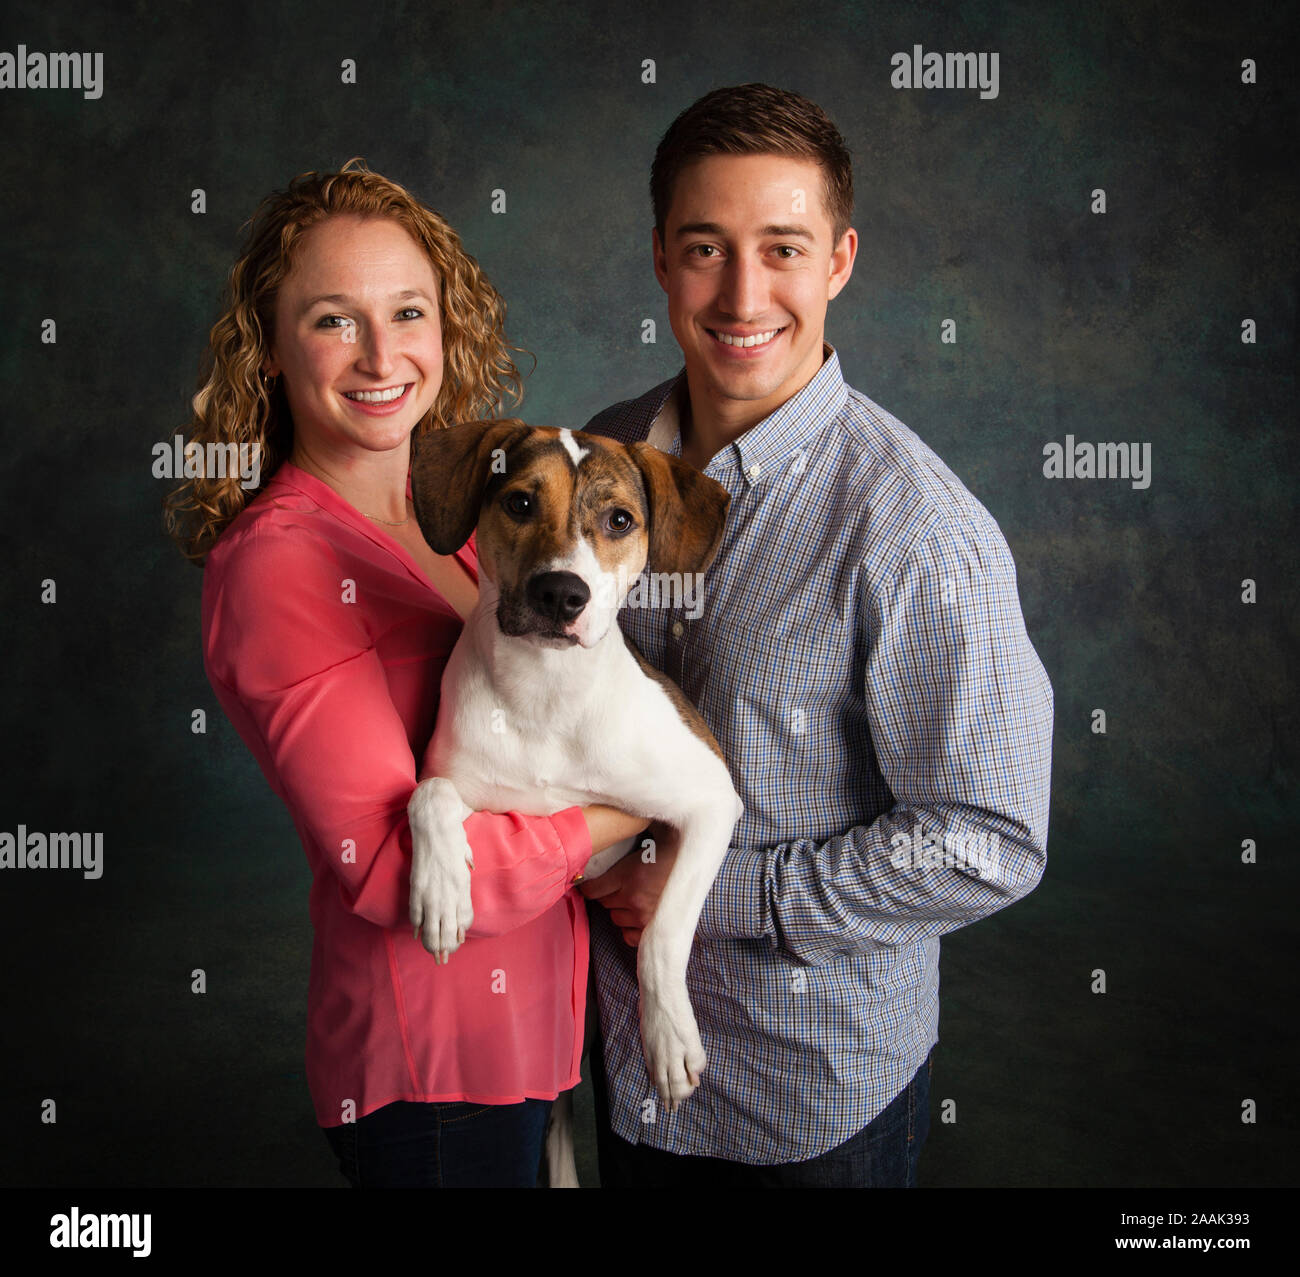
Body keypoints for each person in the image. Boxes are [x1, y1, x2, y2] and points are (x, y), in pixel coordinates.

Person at [579, 83, 1055, 1187]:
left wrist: (713, 891)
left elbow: (991, 834)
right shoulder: (602, 455)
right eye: (706, 247)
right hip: (615, 1057)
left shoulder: (924, 535)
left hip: (804, 1101)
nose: (743, 292)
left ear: (839, 259)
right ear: (659, 257)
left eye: (782, 248)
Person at [165, 158, 647, 1187]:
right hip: (434, 1066)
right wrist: (632, 811)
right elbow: (389, 867)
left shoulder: (477, 520)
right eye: (335, 319)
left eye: (409, 312)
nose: (382, 355)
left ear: (445, 327)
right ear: (270, 348)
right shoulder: (281, 562)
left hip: (537, 1033)